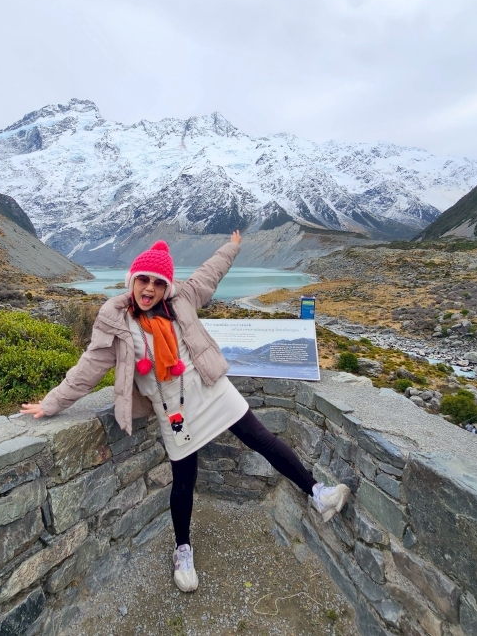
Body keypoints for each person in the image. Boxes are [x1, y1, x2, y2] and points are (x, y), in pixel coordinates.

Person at [19, 233, 350, 593]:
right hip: (172, 411)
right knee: (184, 479)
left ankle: (319, 494)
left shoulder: (183, 299)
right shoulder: (114, 320)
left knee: (264, 440)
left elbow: (210, 273)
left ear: (167, 285)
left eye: (158, 282)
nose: (149, 289)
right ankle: (183, 550)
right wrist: (52, 402)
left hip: (212, 391)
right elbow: (89, 368)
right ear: (132, 280)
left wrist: (232, 247)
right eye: (143, 280)